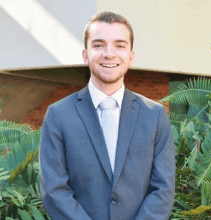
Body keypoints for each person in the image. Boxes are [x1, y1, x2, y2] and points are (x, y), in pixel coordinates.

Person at [39, 11, 175, 220]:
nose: (109, 54)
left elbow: (162, 189)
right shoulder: (58, 115)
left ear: (131, 56)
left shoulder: (155, 116)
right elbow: (54, 190)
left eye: (120, 45)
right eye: (99, 45)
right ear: (85, 54)